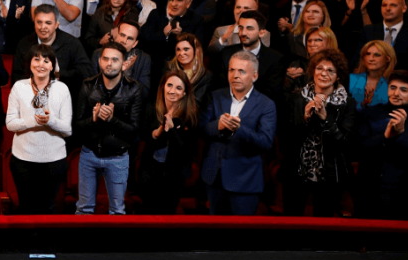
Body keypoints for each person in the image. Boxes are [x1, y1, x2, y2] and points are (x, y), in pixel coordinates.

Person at [353, 71, 408, 220]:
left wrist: (402, 135)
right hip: (369, 195)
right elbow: (356, 151)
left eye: (403, 90)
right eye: (392, 88)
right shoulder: (369, 114)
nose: (396, 93)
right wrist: (385, 138)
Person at [200, 51, 277, 215]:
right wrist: (218, 126)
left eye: (241, 71)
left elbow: (266, 142)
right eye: (232, 70)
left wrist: (239, 129)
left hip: (245, 181)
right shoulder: (214, 96)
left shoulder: (266, 104)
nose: (235, 75)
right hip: (214, 178)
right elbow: (202, 130)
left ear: (254, 76)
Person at [281, 49, 355, 217]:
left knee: (324, 224)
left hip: (330, 175)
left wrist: (325, 119)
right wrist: (305, 119)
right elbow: (287, 141)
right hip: (297, 172)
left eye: (330, 71)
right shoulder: (296, 99)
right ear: (313, 71)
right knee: (291, 221)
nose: (323, 74)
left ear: (338, 76)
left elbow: (344, 144)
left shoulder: (347, 103)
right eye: (319, 68)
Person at [73, 42, 144, 215]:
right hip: (89, 154)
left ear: (124, 64)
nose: (109, 63)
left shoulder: (133, 88)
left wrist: (112, 120)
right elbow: (77, 125)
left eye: (115, 60)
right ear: (99, 61)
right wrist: (94, 119)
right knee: (84, 209)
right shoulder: (88, 85)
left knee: (117, 210)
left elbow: (134, 130)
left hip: (118, 156)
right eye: (105, 59)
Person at [6, 43, 73, 214]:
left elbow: (67, 129)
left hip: (54, 160)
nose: (41, 64)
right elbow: (10, 123)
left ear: (52, 66)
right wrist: (34, 121)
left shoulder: (62, 89)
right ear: (29, 63)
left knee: (48, 208)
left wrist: (50, 121)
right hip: (23, 159)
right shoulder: (19, 87)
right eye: (36, 59)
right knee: (26, 207)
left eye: (46, 60)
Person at [137, 70, 199, 214]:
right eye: (169, 85)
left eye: (178, 88)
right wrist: (156, 133)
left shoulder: (189, 115)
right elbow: (142, 136)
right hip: (150, 174)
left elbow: (184, 151)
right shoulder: (151, 109)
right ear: (163, 87)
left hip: (174, 177)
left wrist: (171, 129)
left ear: (184, 93)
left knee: (167, 216)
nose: (172, 91)